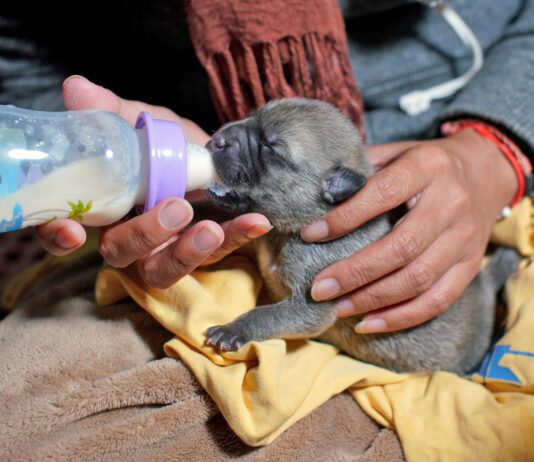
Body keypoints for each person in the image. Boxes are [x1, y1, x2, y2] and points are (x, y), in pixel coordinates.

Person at [4, 0, 534, 336]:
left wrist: (497, 146)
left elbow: (311, 310)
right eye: (250, 124)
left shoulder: (319, 240)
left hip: (462, 173)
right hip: (188, 212)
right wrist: (95, 153)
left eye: (269, 150)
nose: (234, 135)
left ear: (335, 191)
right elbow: (23, 65)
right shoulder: (291, 199)